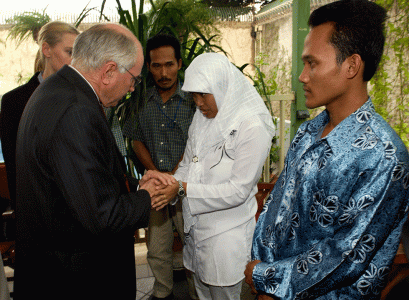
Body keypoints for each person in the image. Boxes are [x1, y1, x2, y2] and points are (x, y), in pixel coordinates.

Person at [244, 1, 409, 299]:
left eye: (312, 63)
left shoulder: (384, 157)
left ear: (351, 66)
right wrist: (264, 277)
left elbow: (344, 257)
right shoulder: (309, 130)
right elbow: (276, 208)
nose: (302, 76)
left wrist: (268, 277)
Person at [15, 23, 174, 300]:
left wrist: (137, 184)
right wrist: (146, 196)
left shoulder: (57, 89)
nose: (133, 88)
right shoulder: (76, 111)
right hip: (75, 281)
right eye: (134, 78)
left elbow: (83, 181)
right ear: (110, 71)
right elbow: (103, 216)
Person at [152, 52, 275, 300]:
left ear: (223, 86)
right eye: (193, 95)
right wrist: (170, 183)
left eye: (203, 94)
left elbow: (239, 190)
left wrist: (183, 188)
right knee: (201, 293)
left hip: (226, 237)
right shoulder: (202, 118)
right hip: (196, 232)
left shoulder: (252, 126)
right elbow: (188, 163)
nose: (198, 102)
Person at [123, 33, 196, 300]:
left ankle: (196, 294)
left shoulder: (194, 100)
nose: (163, 72)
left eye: (169, 64)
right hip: (155, 187)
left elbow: (199, 142)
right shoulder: (140, 101)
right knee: (157, 247)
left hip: (187, 185)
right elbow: (135, 139)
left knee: (195, 245)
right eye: (156, 65)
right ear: (149, 67)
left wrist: (175, 175)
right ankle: (162, 294)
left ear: (179, 63)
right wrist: (155, 172)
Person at [0, 21, 79, 211]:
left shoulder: (82, 98)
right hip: (35, 212)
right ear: (46, 49)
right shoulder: (14, 102)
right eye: (69, 52)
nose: (75, 60)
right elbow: (14, 169)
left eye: (78, 54)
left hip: (77, 212)